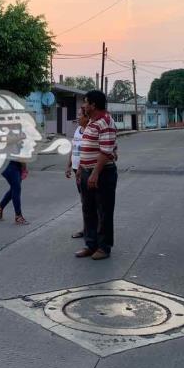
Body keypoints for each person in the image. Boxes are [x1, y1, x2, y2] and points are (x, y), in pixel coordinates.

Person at [74, 90, 118, 260]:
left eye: (85, 102)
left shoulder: (105, 122)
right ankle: (90, 244)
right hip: (87, 171)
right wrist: (80, 169)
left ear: (93, 105)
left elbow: (106, 151)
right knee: (88, 209)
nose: (83, 106)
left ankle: (104, 247)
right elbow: (87, 148)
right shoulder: (92, 123)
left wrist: (94, 174)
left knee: (104, 211)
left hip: (102, 173)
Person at [66, 107, 90, 239]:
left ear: (87, 117)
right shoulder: (77, 130)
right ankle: (86, 228)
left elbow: (87, 153)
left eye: (80, 115)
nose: (78, 117)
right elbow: (73, 148)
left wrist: (80, 169)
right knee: (83, 200)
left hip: (85, 170)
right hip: (77, 170)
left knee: (87, 200)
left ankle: (90, 229)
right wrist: (68, 165)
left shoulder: (89, 131)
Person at [0, 159, 29, 225]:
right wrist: (24, 169)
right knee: (16, 189)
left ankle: (0, 207)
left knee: (14, 188)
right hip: (11, 166)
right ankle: (18, 216)